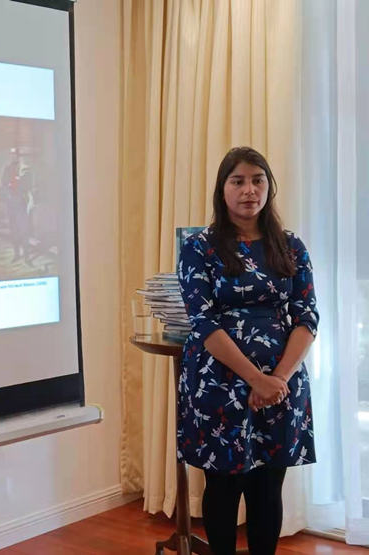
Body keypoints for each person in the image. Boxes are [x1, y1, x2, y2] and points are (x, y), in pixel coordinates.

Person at [177, 146, 318, 555]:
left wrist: (277, 379)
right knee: (223, 487)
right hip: (219, 382)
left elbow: (307, 316)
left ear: (269, 187)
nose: (249, 190)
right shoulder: (199, 247)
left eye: (258, 180)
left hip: (282, 382)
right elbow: (203, 321)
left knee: (268, 486)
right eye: (237, 181)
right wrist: (256, 378)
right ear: (222, 189)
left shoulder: (290, 245)